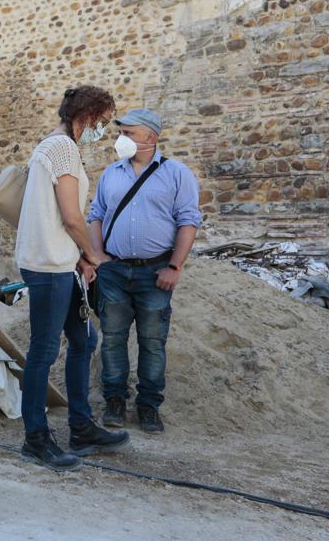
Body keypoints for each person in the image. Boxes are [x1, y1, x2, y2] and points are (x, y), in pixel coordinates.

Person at [15, 86, 131, 472]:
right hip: (49, 265)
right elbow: (71, 215)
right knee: (43, 351)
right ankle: (35, 438)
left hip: (60, 263)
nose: (104, 128)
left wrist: (78, 258)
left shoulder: (54, 145)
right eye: (104, 120)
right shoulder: (62, 147)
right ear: (90, 115)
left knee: (84, 339)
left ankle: (81, 428)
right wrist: (92, 254)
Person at [87, 108, 201, 434]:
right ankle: (114, 402)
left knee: (153, 342)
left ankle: (149, 406)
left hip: (155, 273)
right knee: (112, 340)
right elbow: (96, 214)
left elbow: (188, 221)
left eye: (129, 133)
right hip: (114, 272)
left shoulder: (177, 174)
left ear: (150, 137)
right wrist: (97, 256)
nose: (121, 139)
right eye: (120, 132)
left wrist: (175, 267)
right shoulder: (111, 174)